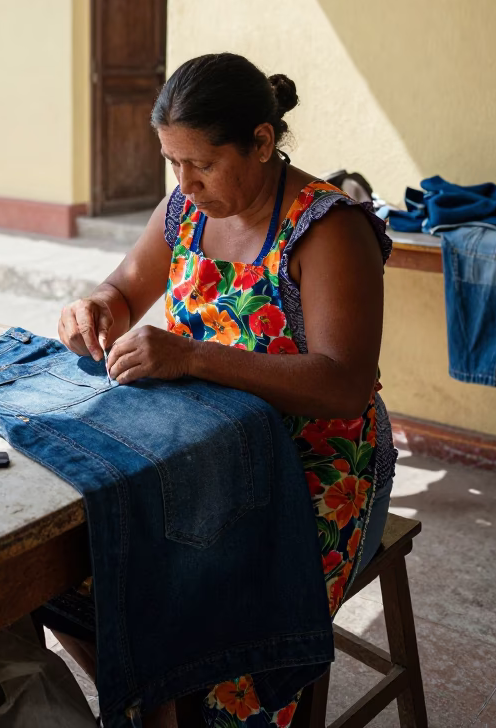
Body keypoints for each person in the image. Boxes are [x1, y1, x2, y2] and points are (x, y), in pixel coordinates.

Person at [47, 53, 396, 728]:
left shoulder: (327, 229)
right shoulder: (183, 211)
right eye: (173, 163)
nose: (185, 182)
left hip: (318, 468)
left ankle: (188, 706)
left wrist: (192, 357)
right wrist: (96, 307)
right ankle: (166, 703)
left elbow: (344, 385)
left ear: (262, 142)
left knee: (225, 626)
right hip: (204, 451)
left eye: (201, 163)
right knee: (88, 581)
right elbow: (123, 289)